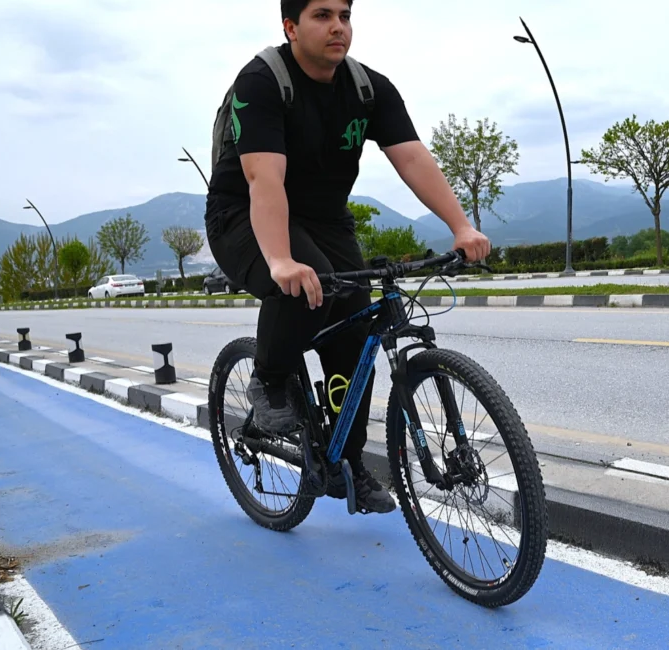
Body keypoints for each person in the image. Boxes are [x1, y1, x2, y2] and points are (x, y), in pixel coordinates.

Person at [203, 0, 490, 514]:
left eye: (345, 14)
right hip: (243, 214)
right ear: (290, 26)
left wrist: (460, 225)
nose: (338, 26)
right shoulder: (263, 81)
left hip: (326, 221)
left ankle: (348, 460)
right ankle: (268, 382)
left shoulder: (367, 88)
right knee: (304, 281)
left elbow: (412, 158)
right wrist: (281, 262)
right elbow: (262, 181)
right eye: (321, 15)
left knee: (357, 328)